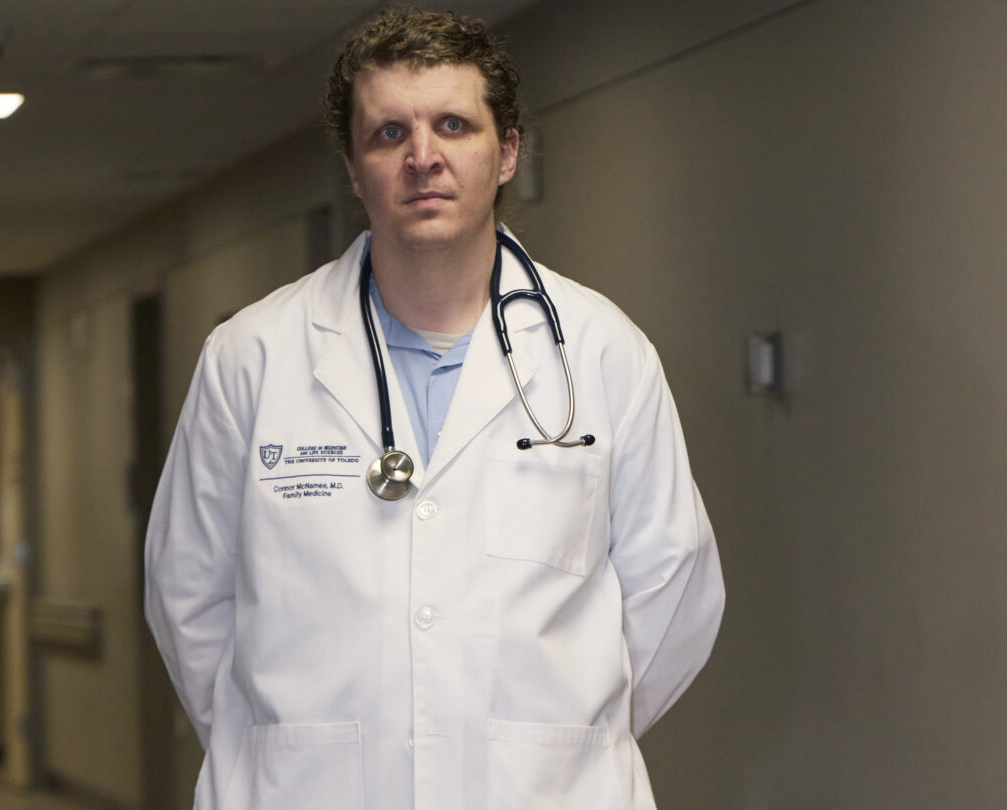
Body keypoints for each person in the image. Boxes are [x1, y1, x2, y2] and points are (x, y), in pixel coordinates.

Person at [144, 9, 724, 809]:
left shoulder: (603, 352)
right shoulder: (252, 357)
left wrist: (560, 740)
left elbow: (673, 591)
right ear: (353, 170)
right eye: (389, 134)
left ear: (507, 151)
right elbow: (187, 594)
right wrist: (285, 749)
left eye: (454, 125)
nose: (423, 157)